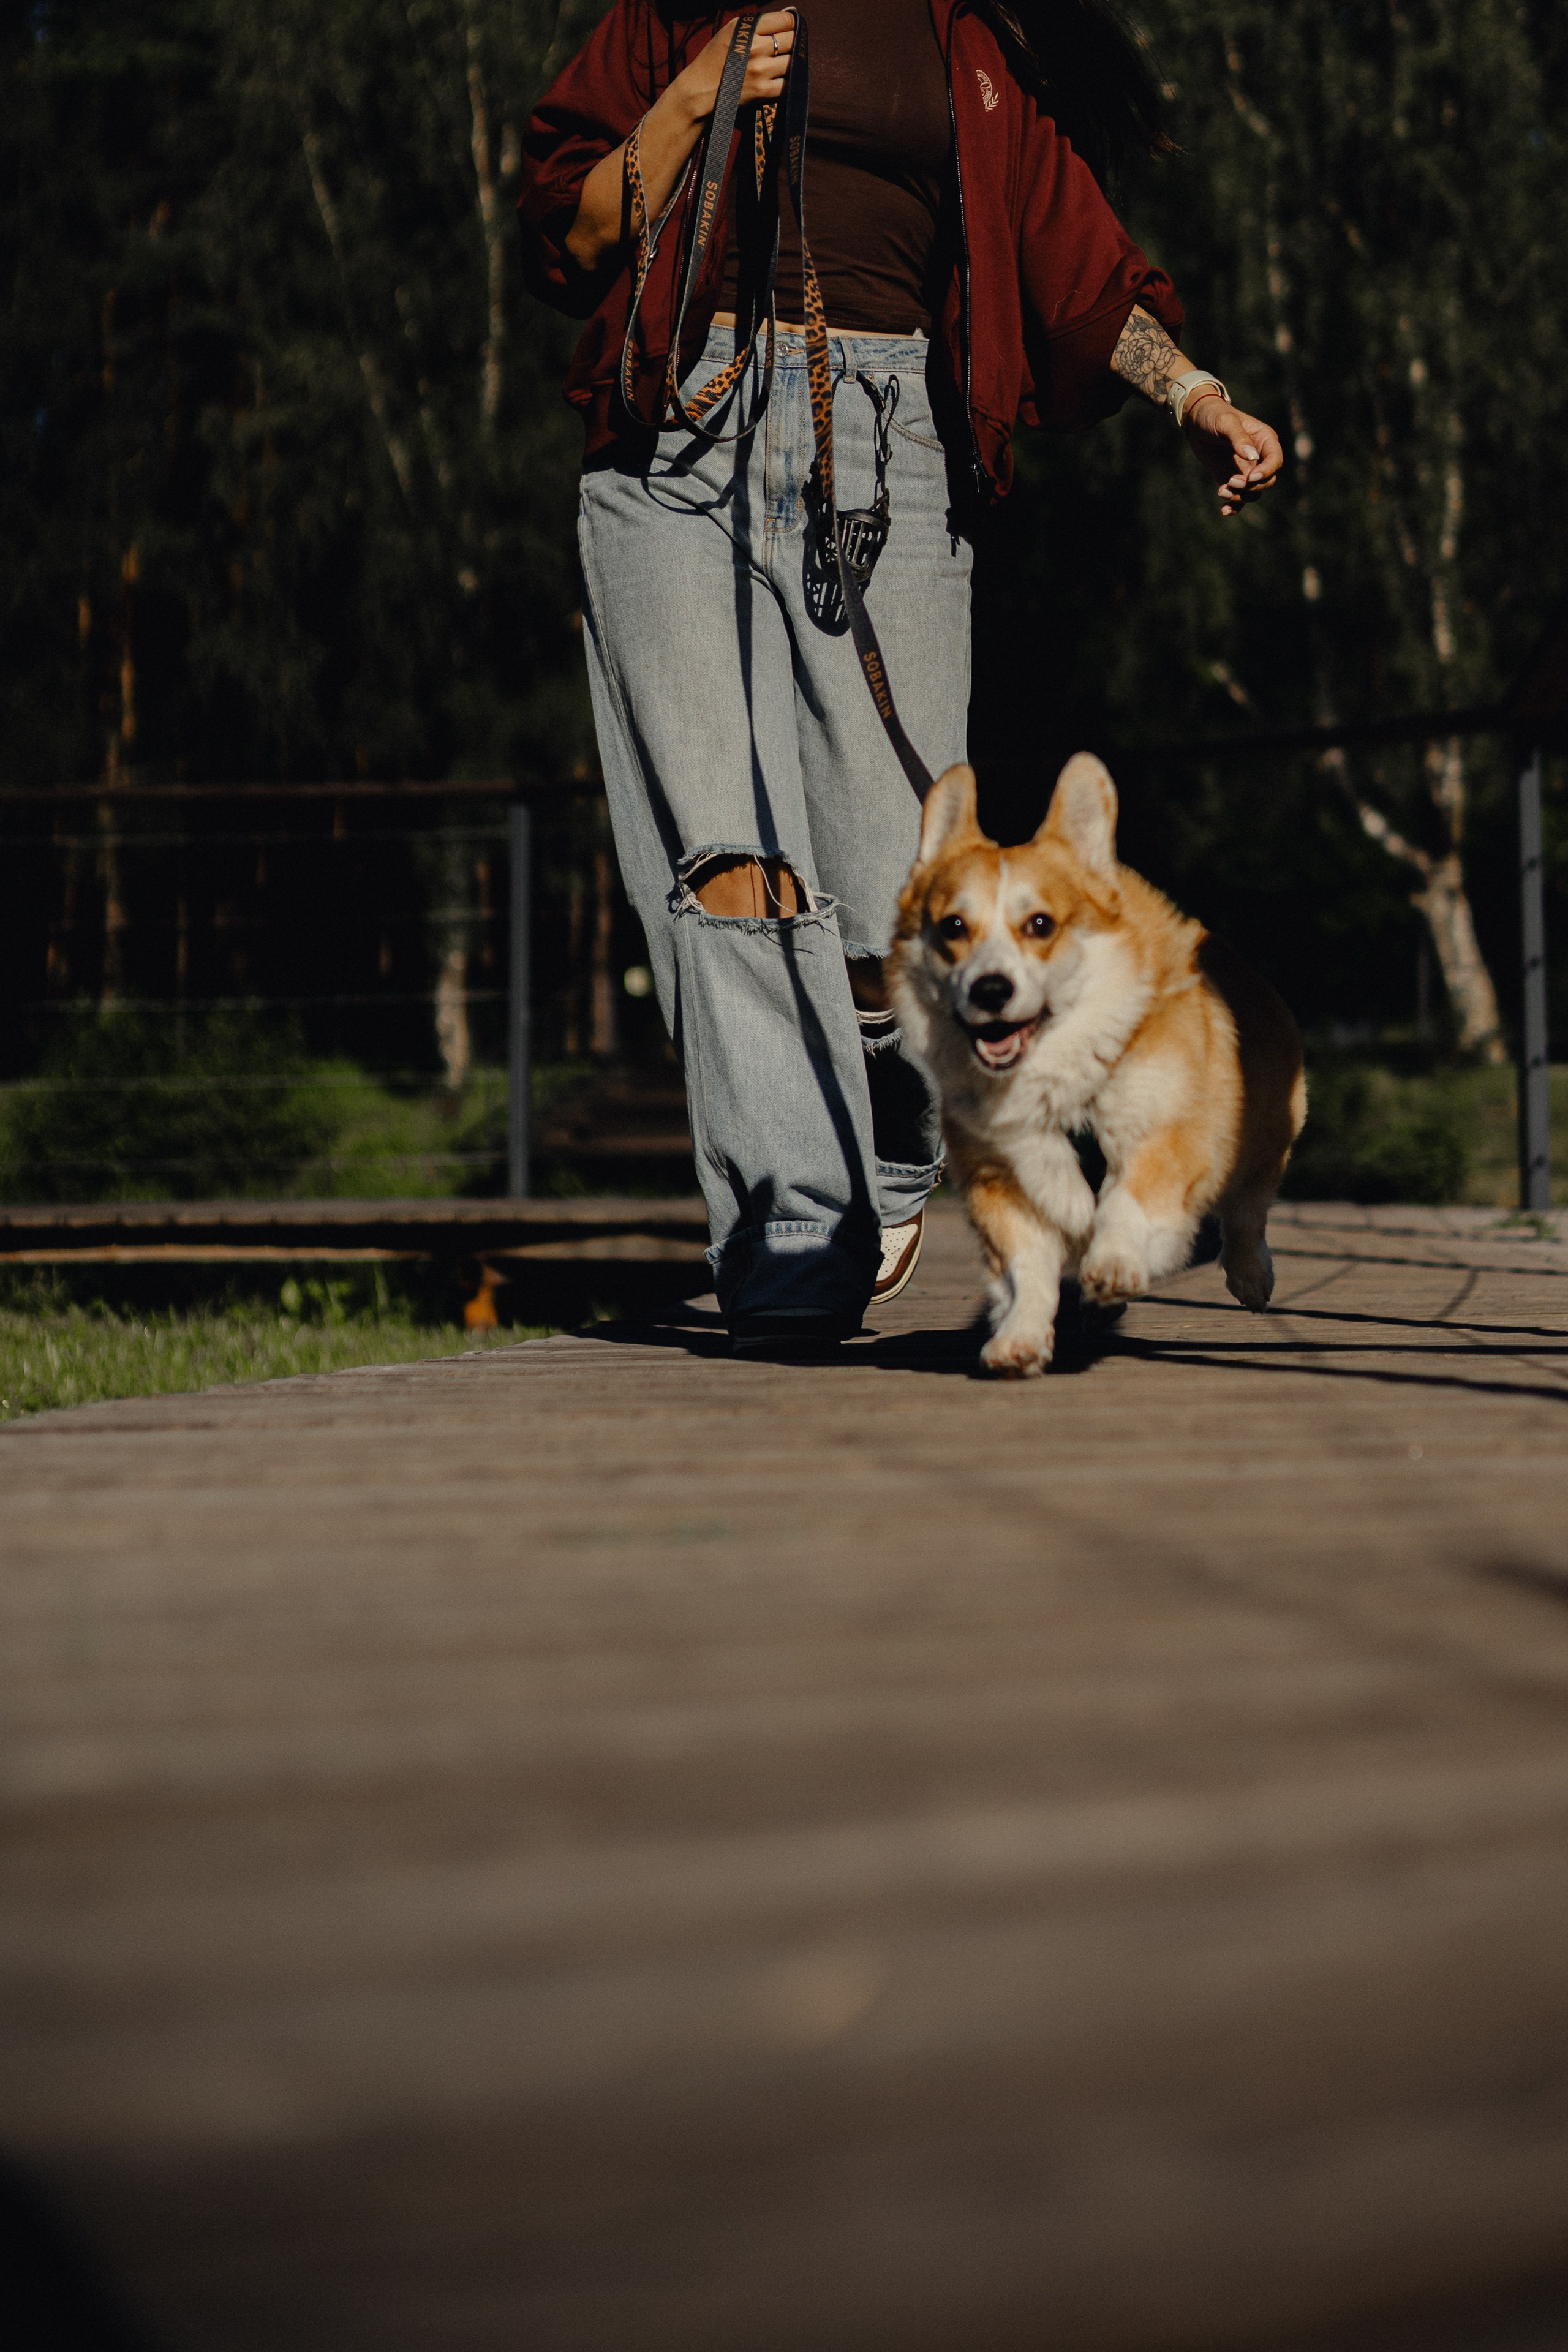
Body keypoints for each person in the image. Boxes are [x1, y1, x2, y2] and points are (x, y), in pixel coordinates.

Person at [519, 1, 1283, 1355]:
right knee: (727, 864)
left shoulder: (968, 41)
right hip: (674, 444)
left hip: (887, 448)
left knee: (900, 886)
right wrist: (695, 92)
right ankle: (792, 1237)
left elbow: (1075, 260)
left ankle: (889, 1125)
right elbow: (569, 237)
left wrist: (1195, 398)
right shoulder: (680, 13)